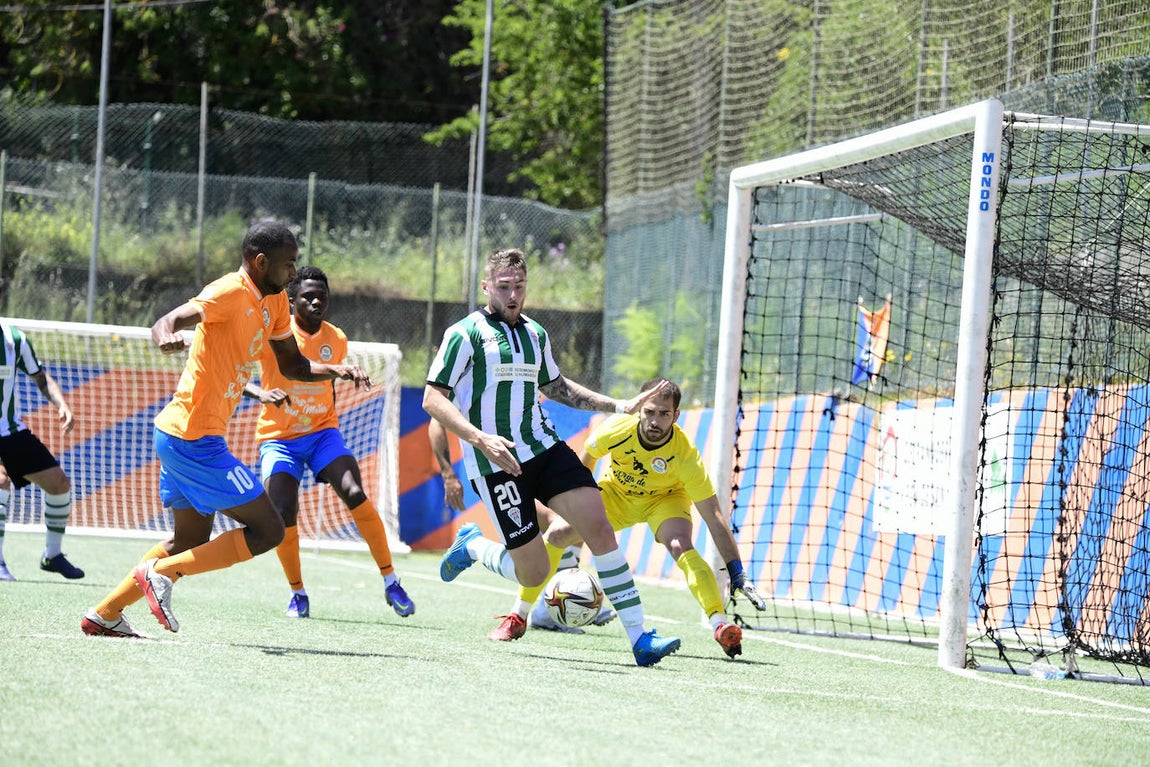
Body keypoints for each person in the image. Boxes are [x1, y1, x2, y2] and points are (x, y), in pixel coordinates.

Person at [81, 220, 371, 638]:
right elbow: (171, 319)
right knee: (270, 529)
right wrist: (164, 335)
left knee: (189, 540)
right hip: (192, 439)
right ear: (260, 261)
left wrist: (336, 371)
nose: (294, 274)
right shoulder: (228, 292)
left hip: (184, 437)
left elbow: (294, 366)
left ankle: (105, 613)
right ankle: (160, 576)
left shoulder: (273, 303)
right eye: (288, 265)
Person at [424, 246, 679, 666]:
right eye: (503, 286)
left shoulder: (536, 335)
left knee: (598, 528)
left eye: (519, 287)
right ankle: (473, 547)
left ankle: (640, 638)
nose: (512, 295)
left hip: (543, 446)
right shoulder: (463, 335)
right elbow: (434, 400)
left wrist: (619, 405)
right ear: (486, 286)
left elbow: (559, 387)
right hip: (496, 461)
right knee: (535, 573)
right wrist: (479, 438)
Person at [493, 377, 767, 658]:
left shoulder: (685, 456)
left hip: (665, 500)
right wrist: (579, 503)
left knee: (680, 545)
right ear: (638, 409)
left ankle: (720, 626)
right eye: (649, 411)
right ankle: (518, 616)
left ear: (676, 416)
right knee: (557, 534)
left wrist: (736, 572)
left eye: (664, 414)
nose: (655, 421)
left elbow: (714, 516)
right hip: (617, 497)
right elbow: (587, 456)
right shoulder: (617, 429)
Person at [243, 265, 412, 620]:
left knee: (354, 491)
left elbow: (328, 385)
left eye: (323, 296)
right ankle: (298, 593)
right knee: (283, 510)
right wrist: (259, 393)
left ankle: (391, 581)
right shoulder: (274, 332)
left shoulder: (336, 338)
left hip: (322, 434)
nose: (317, 301)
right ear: (291, 300)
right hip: (280, 439)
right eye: (308, 296)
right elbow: (246, 369)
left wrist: (336, 390)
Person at [427, 417, 613, 633]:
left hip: (536, 454)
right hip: (499, 470)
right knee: (534, 570)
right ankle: (474, 546)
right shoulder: (462, 385)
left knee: (570, 523)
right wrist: (448, 473)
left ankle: (565, 601)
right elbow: (436, 416)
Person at [0, 320, 84, 582]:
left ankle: (53, 556)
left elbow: (40, 376)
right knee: (1, 481)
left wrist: (62, 404)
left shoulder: (14, 339)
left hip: (10, 430)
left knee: (59, 484)